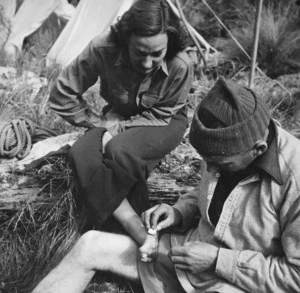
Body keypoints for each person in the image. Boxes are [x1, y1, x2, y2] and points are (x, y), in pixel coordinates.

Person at [33, 77, 300, 293]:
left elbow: (295, 278)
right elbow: (218, 194)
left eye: (221, 165)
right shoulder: (228, 154)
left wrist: (219, 261)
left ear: (259, 149)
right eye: (206, 162)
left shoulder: (294, 181)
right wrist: (180, 210)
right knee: (91, 245)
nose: (210, 170)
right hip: (186, 259)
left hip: (236, 283)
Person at [48, 0, 193, 246]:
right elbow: (62, 93)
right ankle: (136, 231)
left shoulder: (181, 64)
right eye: (139, 52)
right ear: (125, 40)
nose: (147, 64)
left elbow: (162, 114)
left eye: (157, 54)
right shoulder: (102, 47)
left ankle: (120, 233)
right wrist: (99, 122)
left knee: (119, 150)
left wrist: (117, 129)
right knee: (80, 152)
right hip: (116, 116)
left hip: (163, 121)